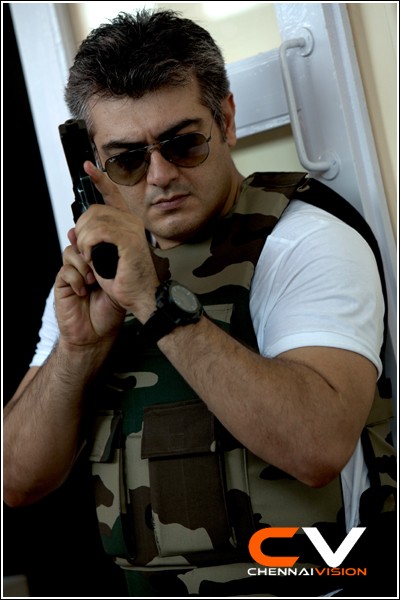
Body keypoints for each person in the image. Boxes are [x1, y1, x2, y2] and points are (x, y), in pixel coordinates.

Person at [3, 8, 396, 598]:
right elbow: (16, 479)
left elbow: (316, 448)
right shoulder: (101, 268)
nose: (160, 175)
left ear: (226, 121)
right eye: (128, 159)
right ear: (96, 165)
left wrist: (156, 303)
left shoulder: (303, 241)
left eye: (183, 143)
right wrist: (78, 352)